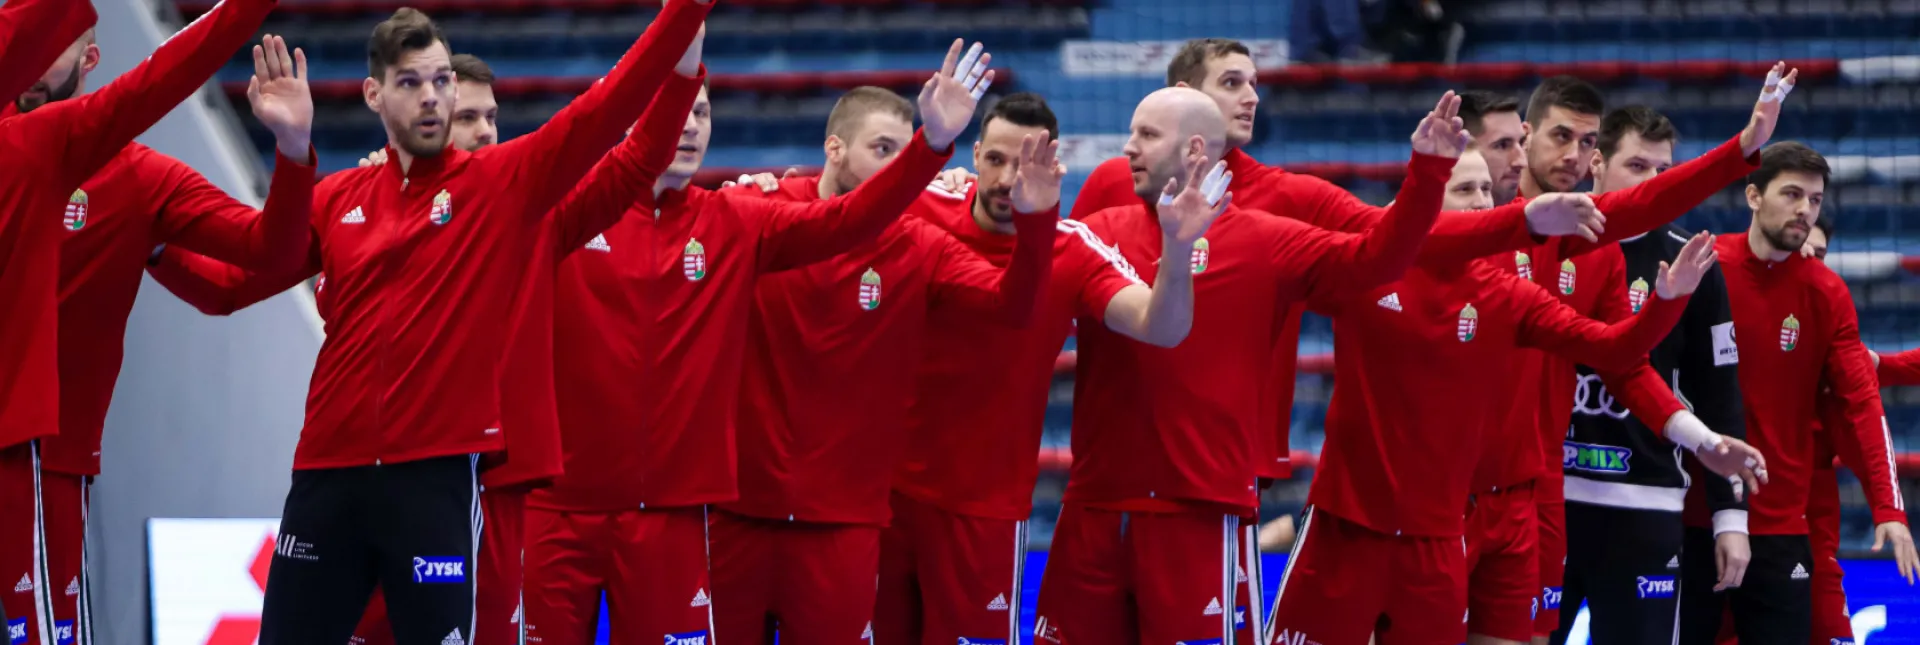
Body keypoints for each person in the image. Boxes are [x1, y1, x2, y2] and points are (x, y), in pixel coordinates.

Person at [141, 4, 714, 643]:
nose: (434, 98)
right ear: (373, 95)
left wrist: (684, 18)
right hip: (326, 476)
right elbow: (233, 282)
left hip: (435, 480)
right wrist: (152, 243)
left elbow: (607, 112)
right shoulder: (337, 198)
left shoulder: (502, 186)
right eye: (413, 83)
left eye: (443, 82)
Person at [521, 42, 986, 645]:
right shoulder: (563, 211)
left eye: (703, 113)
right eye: (674, 109)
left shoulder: (736, 219)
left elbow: (850, 220)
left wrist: (931, 145)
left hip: (675, 519)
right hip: (557, 508)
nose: (689, 126)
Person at [1035, 84, 1462, 645]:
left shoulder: (1266, 239)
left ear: (1194, 151)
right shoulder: (1100, 229)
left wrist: (1428, 175)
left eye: (1145, 134)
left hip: (1201, 513)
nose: (1128, 147)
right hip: (1094, 504)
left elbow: (1377, 259)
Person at [1266, 139, 1723, 645]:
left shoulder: (1508, 295)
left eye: (1487, 189)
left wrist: (1665, 302)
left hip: (1438, 541)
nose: (1485, 202)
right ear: (1422, 204)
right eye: (1465, 189)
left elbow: (1613, 350)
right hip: (1345, 525)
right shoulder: (1364, 267)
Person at [1, 30, 315, 645]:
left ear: (91, 57)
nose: (32, 61)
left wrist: (293, 148)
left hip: (50, 467)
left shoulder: (139, 179)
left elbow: (256, 261)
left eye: (53, 46)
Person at [1679, 142, 1918, 645]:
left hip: (1780, 524)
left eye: (1814, 199)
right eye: (1792, 194)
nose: (1805, 210)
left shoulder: (1826, 293)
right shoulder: (1705, 266)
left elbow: (1863, 403)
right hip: (1691, 514)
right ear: (1752, 195)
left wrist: (1889, 509)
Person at [1551, 106, 1751, 645]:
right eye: (1637, 166)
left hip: (1645, 504)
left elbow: (1719, 394)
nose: (1653, 184)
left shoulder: (1691, 262)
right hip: (1547, 498)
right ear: (1597, 164)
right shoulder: (1551, 242)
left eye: (1663, 171)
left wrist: (1731, 517)